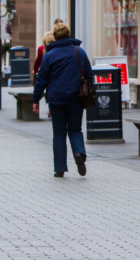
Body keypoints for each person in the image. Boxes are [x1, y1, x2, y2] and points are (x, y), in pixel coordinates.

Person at [32, 22, 93, 178]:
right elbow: (89, 74)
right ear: (68, 34)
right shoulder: (79, 52)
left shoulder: (50, 55)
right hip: (76, 97)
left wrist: (36, 99)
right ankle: (79, 152)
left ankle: (60, 168)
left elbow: (42, 79)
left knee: (59, 133)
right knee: (75, 129)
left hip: (56, 99)